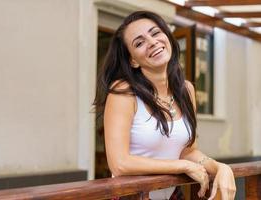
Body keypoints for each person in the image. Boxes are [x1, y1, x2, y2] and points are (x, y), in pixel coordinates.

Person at [93, 11, 236, 200]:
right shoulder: (123, 91)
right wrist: (181, 166)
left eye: (155, 33)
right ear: (133, 60)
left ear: (167, 36)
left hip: (171, 195)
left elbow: (188, 151)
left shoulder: (186, 90)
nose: (152, 42)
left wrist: (220, 167)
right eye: (139, 42)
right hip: (134, 196)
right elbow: (119, 164)